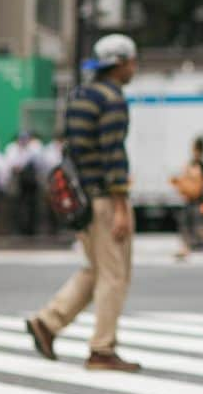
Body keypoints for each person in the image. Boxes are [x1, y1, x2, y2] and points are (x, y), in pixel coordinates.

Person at [25, 33, 143, 371]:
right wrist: (121, 208)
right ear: (119, 64)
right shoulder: (112, 98)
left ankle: (48, 322)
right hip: (105, 198)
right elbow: (113, 154)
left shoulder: (79, 95)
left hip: (83, 197)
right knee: (115, 275)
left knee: (95, 269)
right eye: (131, 62)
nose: (133, 68)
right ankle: (102, 349)